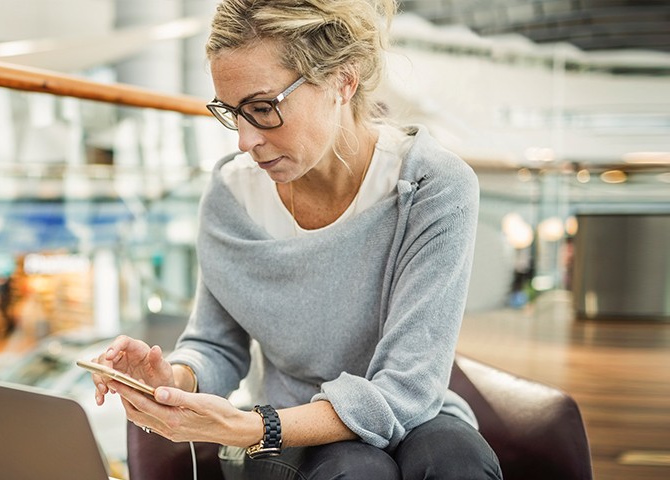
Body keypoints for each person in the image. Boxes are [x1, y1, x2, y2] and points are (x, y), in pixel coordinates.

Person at [89, 0, 502, 478]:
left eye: (262, 108)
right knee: (355, 471)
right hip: (287, 429)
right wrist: (172, 378)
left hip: (400, 416)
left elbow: (409, 387)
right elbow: (216, 345)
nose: (245, 139)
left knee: (458, 462)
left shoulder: (433, 185)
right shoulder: (232, 196)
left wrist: (252, 427)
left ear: (343, 81)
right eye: (232, 112)